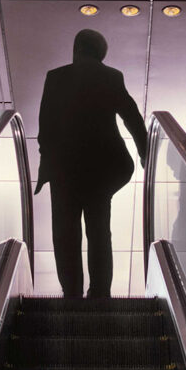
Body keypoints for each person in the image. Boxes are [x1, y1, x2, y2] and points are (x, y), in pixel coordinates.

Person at [36, 28, 148, 299]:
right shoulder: (111, 77)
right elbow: (131, 116)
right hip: (102, 170)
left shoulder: (56, 77)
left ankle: (72, 293)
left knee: (65, 236)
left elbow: (46, 125)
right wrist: (145, 152)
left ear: (76, 49)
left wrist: (48, 159)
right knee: (99, 232)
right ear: (101, 54)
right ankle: (99, 294)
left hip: (65, 170)